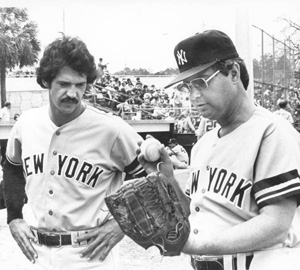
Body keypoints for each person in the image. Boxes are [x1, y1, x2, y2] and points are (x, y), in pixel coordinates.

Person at [139, 30, 300, 270]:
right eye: (187, 86)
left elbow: (275, 225)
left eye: (201, 82)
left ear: (233, 73)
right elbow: (198, 215)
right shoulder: (203, 143)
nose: (193, 96)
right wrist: (168, 180)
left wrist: (195, 244)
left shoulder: (272, 131)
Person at [2, 36, 146, 270]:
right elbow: (12, 168)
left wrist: (123, 224)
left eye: (80, 85)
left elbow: (146, 178)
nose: (73, 93)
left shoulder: (112, 129)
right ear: (47, 81)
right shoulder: (26, 124)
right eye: (64, 84)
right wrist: (14, 218)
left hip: (89, 253)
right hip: (36, 254)